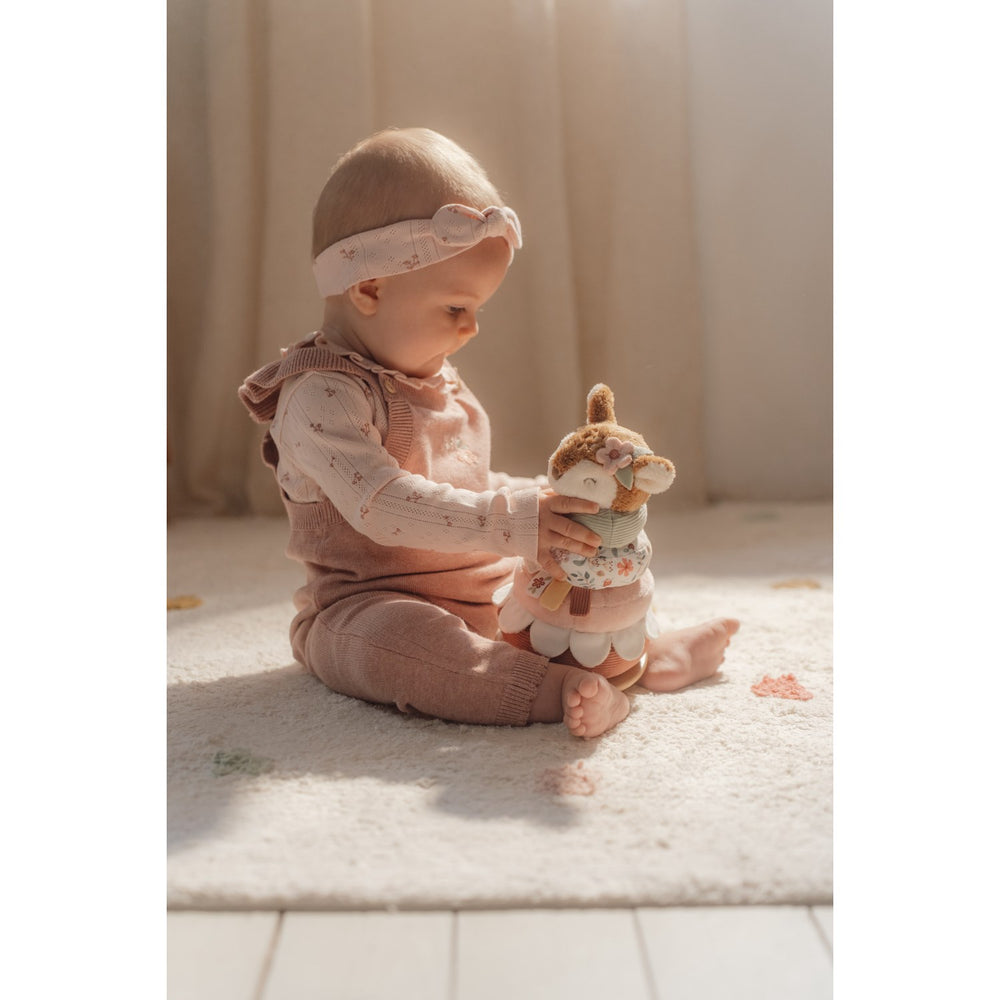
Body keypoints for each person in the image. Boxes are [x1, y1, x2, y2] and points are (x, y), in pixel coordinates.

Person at [239, 127, 739, 738]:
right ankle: (555, 690)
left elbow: (471, 484)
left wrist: (551, 507)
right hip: (366, 600)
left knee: (565, 590)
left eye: (477, 310)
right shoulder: (320, 396)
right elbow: (382, 505)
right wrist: (514, 521)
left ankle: (637, 655)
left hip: (482, 580)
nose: (471, 328)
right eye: (456, 308)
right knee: (402, 647)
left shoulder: (435, 378)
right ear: (369, 289)